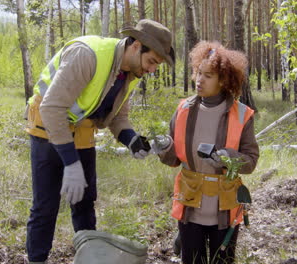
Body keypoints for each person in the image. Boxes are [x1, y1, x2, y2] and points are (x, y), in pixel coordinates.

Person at [24, 19, 175, 264]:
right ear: (136, 46)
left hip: (82, 131)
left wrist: (132, 140)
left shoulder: (131, 73)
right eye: (152, 62)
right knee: (46, 207)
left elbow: (118, 117)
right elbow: (52, 107)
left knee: (85, 203)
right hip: (48, 126)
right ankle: (36, 260)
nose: (152, 70)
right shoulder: (88, 55)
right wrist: (71, 164)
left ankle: (89, 259)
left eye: (156, 65)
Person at [152, 41, 259, 264]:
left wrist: (228, 157)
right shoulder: (183, 110)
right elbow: (174, 160)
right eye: (198, 73)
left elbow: (250, 162)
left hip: (226, 210)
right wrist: (163, 148)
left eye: (208, 75)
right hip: (190, 207)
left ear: (224, 79)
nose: (199, 80)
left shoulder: (242, 114)